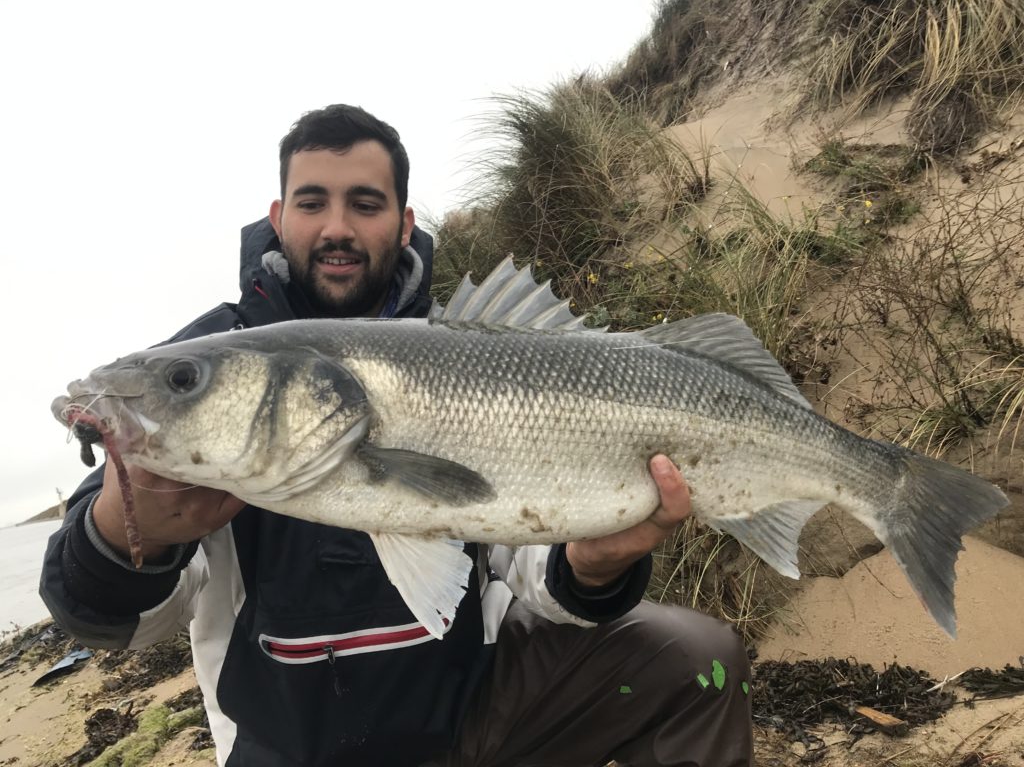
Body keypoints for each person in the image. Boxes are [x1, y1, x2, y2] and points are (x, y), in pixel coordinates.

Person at [41, 104, 754, 766]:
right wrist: (127, 531)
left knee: (697, 657)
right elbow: (117, 623)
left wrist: (591, 568)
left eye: (366, 204)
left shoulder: (480, 349)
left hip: (472, 720)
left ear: (405, 222)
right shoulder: (210, 356)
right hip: (286, 750)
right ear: (278, 215)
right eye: (312, 201)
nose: (337, 228)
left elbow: (522, 571)